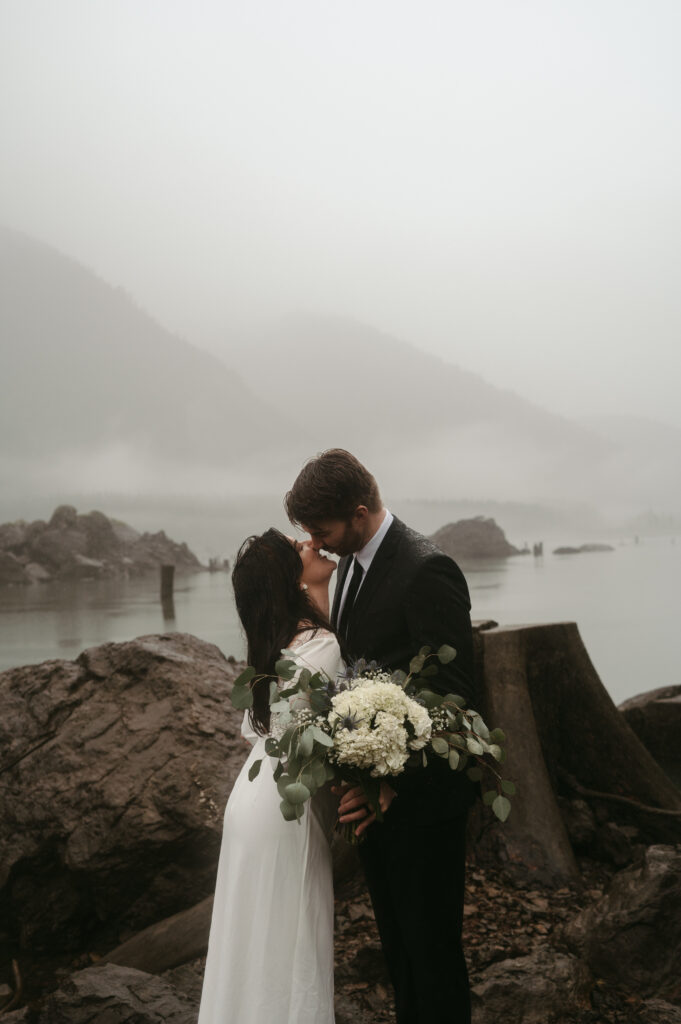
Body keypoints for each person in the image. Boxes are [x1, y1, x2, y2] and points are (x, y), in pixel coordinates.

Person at [286, 449, 478, 1024]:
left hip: (423, 802)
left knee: (433, 953)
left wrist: (388, 783)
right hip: (371, 797)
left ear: (361, 512)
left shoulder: (427, 569)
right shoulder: (345, 567)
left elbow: (452, 695)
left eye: (322, 531)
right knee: (398, 950)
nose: (316, 543)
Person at [197, 528, 343, 1024]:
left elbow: (272, 726)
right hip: (287, 810)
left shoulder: (279, 645)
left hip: (255, 797)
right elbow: (324, 711)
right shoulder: (318, 644)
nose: (310, 543)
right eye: (297, 547)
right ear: (290, 579)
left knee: (251, 940)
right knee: (293, 942)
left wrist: (314, 585)